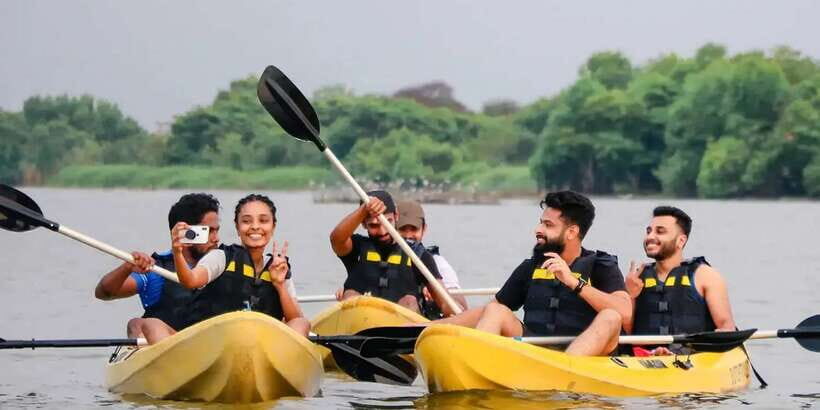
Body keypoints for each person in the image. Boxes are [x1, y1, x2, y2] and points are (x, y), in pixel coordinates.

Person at [433, 191, 632, 356]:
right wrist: (430, 327)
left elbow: (624, 312)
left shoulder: (601, 265)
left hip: (584, 358)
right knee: (496, 311)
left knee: (610, 317)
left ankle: (562, 372)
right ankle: (476, 365)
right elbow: (487, 312)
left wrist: (574, 283)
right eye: (541, 223)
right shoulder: (532, 266)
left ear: (571, 232)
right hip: (536, 354)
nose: (538, 230)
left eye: (548, 225)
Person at [146, 194, 308, 344]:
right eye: (246, 221)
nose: (255, 227)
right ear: (237, 227)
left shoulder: (279, 266)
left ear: (273, 227)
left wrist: (280, 285)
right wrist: (177, 252)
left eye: (263, 221)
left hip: (263, 346)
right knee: (151, 324)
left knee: (302, 323)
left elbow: (295, 319)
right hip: (214, 343)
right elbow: (190, 280)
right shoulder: (221, 257)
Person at [94, 193, 221, 340]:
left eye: (217, 230)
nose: (216, 238)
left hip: (211, 346)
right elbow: (104, 292)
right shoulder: (156, 270)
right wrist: (126, 268)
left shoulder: (225, 263)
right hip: (170, 347)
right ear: (185, 232)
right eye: (209, 231)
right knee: (136, 324)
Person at [625, 206, 735, 355]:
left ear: (681, 241)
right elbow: (626, 331)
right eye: (648, 231)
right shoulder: (636, 277)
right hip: (643, 358)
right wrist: (629, 295)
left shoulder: (707, 276)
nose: (650, 236)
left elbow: (725, 327)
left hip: (692, 359)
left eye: (660, 231)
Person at [329, 190, 457, 316]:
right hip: (360, 328)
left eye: (388, 221)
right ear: (363, 223)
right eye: (374, 226)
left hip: (402, 331)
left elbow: (445, 303)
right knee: (351, 295)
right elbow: (336, 239)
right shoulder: (356, 247)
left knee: (409, 301)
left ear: (396, 216)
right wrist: (363, 210)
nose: (383, 231)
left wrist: (458, 313)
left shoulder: (418, 255)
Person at [396, 199, 468, 316]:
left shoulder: (436, 262)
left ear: (424, 229)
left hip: (418, 321)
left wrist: (437, 295)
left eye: (414, 229)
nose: (408, 235)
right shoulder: (381, 257)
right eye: (402, 229)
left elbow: (460, 306)